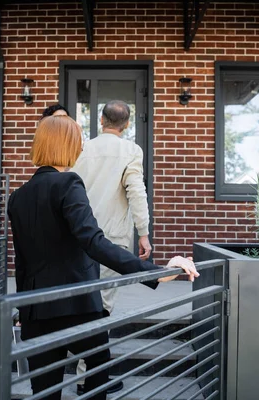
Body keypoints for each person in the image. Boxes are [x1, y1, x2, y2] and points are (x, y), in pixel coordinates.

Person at [7, 115, 199, 400]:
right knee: (96, 385)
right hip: (77, 307)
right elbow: (94, 243)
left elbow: (21, 261)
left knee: (43, 394)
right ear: (69, 145)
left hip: (36, 311)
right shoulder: (68, 184)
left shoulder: (18, 196)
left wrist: (24, 309)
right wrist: (155, 271)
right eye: (78, 141)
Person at [71, 100, 150, 394]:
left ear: (101, 120)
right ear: (126, 124)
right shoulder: (131, 151)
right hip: (111, 241)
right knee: (100, 308)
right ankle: (88, 379)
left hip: (78, 236)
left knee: (78, 301)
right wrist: (143, 232)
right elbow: (136, 191)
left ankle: (83, 373)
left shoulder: (83, 148)